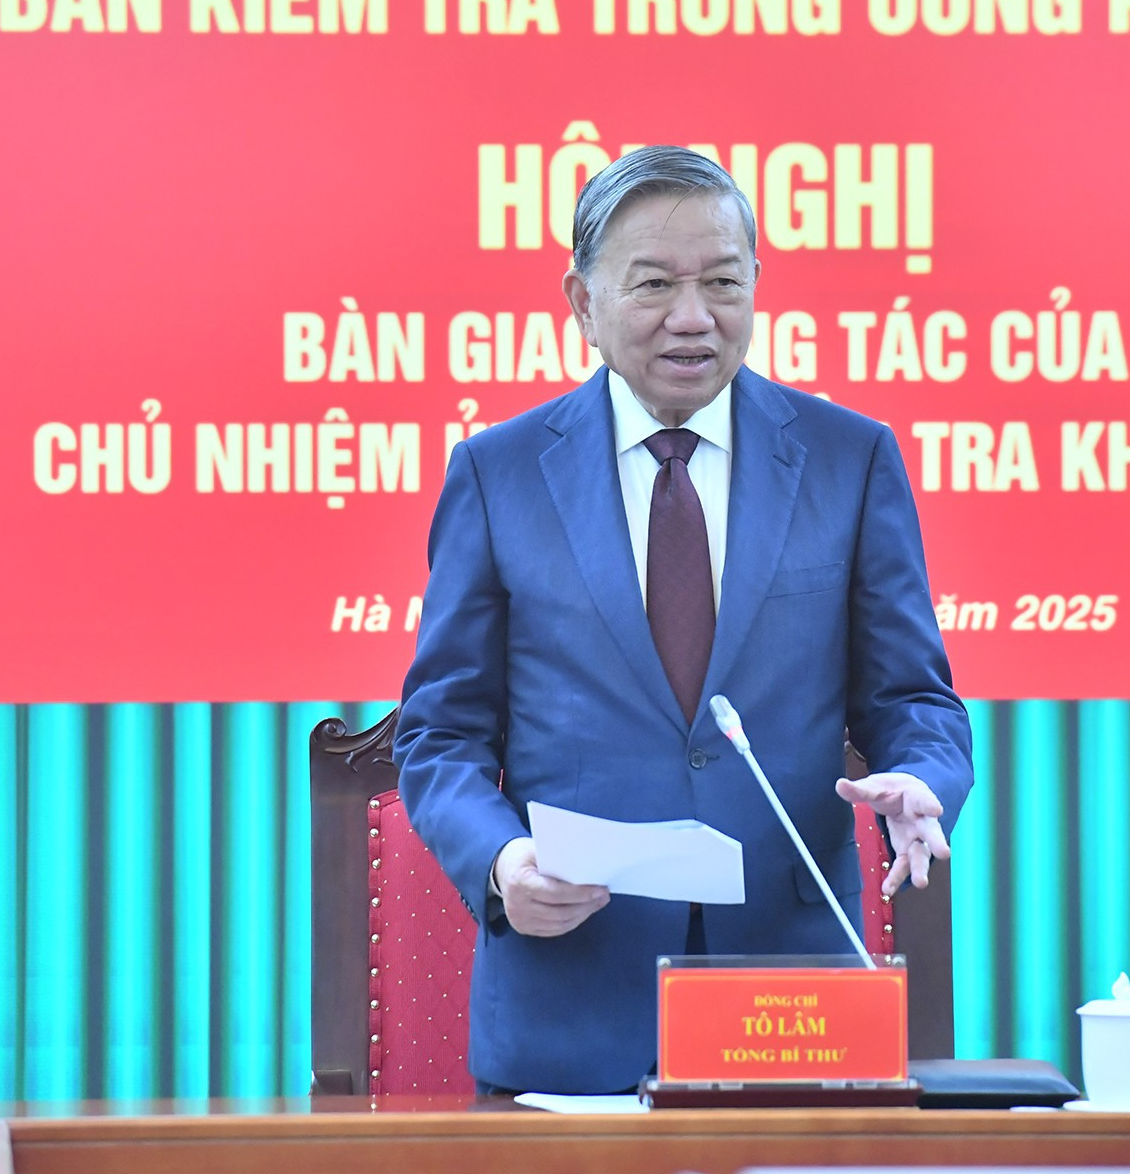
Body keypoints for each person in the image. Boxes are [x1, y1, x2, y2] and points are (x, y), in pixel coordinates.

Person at [392, 145, 973, 1095]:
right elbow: (441, 735)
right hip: (572, 1006)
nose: (694, 317)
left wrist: (920, 778)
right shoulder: (498, 476)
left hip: (790, 1010)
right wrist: (501, 862)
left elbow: (915, 699)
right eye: (654, 284)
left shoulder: (848, 459)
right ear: (582, 303)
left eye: (723, 282)